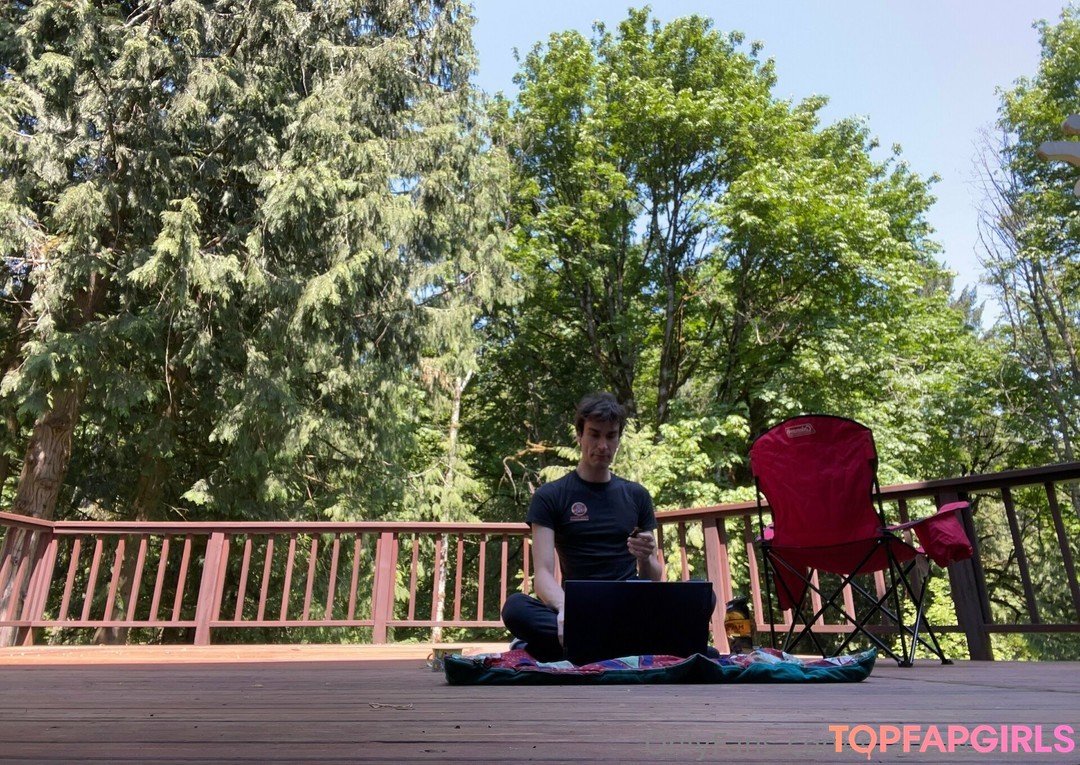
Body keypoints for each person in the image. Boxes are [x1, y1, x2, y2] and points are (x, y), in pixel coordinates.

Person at [500, 392, 667, 662]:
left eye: (610, 436)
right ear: (580, 435)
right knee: (515, 607)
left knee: (703, 595)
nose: (602, 445)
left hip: (629, 607)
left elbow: (652, 578)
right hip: (578, 607)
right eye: (594, 434)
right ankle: (632, 645)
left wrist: (645, 557)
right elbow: (543, 575)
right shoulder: (551, 495)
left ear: (618, 439)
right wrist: (566, 609)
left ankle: (572, 646)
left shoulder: (637, 495)